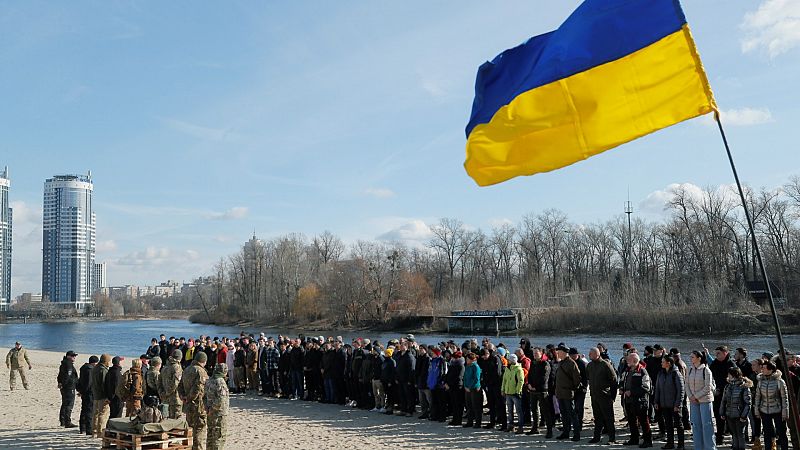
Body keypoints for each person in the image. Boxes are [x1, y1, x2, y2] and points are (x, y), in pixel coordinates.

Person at [754, 361, 789, 450]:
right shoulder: (760, 381)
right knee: (767, 434)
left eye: (764, 368)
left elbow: (785, 398)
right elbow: (757, 396)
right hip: (764, 410)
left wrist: (785, 413)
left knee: (781, 433)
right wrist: (757, 410)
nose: (762, 369)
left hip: (778, 410)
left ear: (771, 369)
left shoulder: (780, 381)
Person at [586, 347, 617, 445]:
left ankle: (612, 438)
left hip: (605, 396)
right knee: (597, 418)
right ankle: (596, 437)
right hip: (594, 396)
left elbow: (614, 381)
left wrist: (613, 396)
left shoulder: (605, 365)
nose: (589, 355)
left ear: (597, 354)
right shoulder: (590, 365)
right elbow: (588, 378)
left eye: (591, 354)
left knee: (609, 418)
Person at [622, 352, 653, 448]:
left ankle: (648, 441)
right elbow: (623, 381)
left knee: (644, 421)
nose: (627, 361)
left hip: (640, 401)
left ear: (635, 361)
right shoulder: (627, 370)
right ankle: (634, 439)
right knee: (631, 421)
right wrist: (621, 388)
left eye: (629, 360)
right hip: (628, 400)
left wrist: (632, 392)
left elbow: (646, 388)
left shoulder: (642, 371)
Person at [686, 350, 716, 450]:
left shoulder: (706, 370)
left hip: (705, 400)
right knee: (695, 425)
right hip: (693, 401)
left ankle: (710, 448)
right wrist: (690, 396)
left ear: (699, 358)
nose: (690, 359)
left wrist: (696, 396)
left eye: (692, 357)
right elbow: (686, 384)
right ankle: (698, 447)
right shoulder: (689, 369)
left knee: (707, 425)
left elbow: (708, 387)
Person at [655, 355, 685, 450]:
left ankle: (681, 444)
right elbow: (657, 389)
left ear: (669, 363)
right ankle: (670, 443)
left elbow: (681, 390)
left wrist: (678, 404)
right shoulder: (660, 373)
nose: (661, 363)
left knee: (678, 425)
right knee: (668, 425)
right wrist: (656, 401)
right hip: (664, 404)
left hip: (674, 405)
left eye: (663, 362)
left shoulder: (676, 374)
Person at [181, 351, 209, 450]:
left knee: (191, 428)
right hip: (198, 405)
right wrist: (189, 397)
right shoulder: (201, 371)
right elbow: (199, 388)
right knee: (199, 431)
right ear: (203, 361)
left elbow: (180, 386)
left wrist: (183, 397)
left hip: (188, 405)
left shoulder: (187, 369)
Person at [708, 345, 736, 446]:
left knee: (730, 417)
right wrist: (714, 389)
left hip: (729, 394)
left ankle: (734, 438)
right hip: (718, 393)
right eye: (715, 354)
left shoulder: (731, 364)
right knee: (718, 415)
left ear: (725, 353)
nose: (716, 356)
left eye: (718, 353)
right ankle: (719, 436)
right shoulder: (715, 363)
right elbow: (710, 376)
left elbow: (735, 379)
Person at [720, 367, 752, 450]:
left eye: (729, 374)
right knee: (734, 434)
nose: (728, 375)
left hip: (739, 415)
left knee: (740, 434)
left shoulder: (744, 387)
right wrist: (722, 412)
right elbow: (724, 400)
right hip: (729, 414)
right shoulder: (728, 386)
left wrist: (744, 416)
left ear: (733, 375)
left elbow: (748, 403)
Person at [554, 345, 581, 441]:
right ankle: (566, 432)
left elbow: (577, 379)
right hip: (560, 393)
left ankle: (576, 434)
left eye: (559, 351)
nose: (557, 353)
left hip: (568, 393)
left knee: (572, 414)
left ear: (564, 352)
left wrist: (571, 388)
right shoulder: (561, 363)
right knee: (564, 414)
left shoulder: (571, 363)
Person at [205, 364, 230, 450]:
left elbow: (204, 396)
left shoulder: (209, 380)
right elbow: (221, 400)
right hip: (219, 414)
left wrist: (208, 408)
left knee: (210, 436)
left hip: (210, 413)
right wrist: (213, 408)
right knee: (219, 438)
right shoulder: (220, 382)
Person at [501, 353, 525, 433]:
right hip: (508, 392)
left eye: (509, 360)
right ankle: (511, 426)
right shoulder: (507, 369)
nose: (508, 361)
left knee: (518, 411)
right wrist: (503, 389)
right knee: (510, 410)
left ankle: (521, 427)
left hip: (515, 393)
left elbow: (521, 381)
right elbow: (504, 380)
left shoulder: (519, 369)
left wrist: (518, 391)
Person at [90, 354, 111, 437]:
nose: (109, 363)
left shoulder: (95, 368)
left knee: (95, 413)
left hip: (95, 394)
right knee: (102, 413)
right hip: (101, 395)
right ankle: (100, 432)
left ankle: (94, 431)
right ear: (105, 361)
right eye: (108, 361)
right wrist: (107, 396)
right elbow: (104, 384)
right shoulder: (103, 370)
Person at [57, 350, 79, 428]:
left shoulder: (63, 363)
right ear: (68, 356)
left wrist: (60, 383)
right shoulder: (68, 364)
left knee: (65, 403)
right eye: (73, 356)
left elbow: (59, 375)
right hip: (69, 387)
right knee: (69, 404)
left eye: (74, 356)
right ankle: (67, 422)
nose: (74, 357)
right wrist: (64, 384)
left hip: (65, 387)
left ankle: (63, 420)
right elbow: (68, 376)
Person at [77, 355, 97, 436]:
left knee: (84, 409)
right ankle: (88, 429)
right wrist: (84, 391)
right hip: (88, 393)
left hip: (85, 391)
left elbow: (80, 380)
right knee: (89, 411)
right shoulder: (90, 370)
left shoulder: (84, 368)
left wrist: (81, 390)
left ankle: (82, 428)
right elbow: (88, 383)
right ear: (94, 363)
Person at [160, 349, 184, 419]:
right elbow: (175, 383)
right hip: (175, 398)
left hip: (165, 397)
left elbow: (159, 381)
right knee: (175, 421)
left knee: (165, 418)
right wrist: (168, 392)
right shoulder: (177, 367)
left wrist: (162, 392)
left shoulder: (165, 367)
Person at [445, 350, 465, 426]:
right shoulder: (452, 365)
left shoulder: (461, 366)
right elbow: (447, 375)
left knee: (458, 404)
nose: (453, 359)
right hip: (451, 387)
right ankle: (454, 419)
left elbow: (459, 377)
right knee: (453, 404)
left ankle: (458, 420)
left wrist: (450, 384)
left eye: (454, 358)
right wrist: (446, 382)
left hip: (457, 387)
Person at [463, 352, 482, 428]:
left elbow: (476, 379)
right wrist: (465, 386)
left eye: (467, 359)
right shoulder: (467, 366)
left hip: (474, 388)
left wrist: (470, 387)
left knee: (476, 406)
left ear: (471, 360)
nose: (466, 360)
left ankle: (478, 423)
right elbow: (465, 377)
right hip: (467, 388)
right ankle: (469, 421)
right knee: (469, 406)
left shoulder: (475, 367)